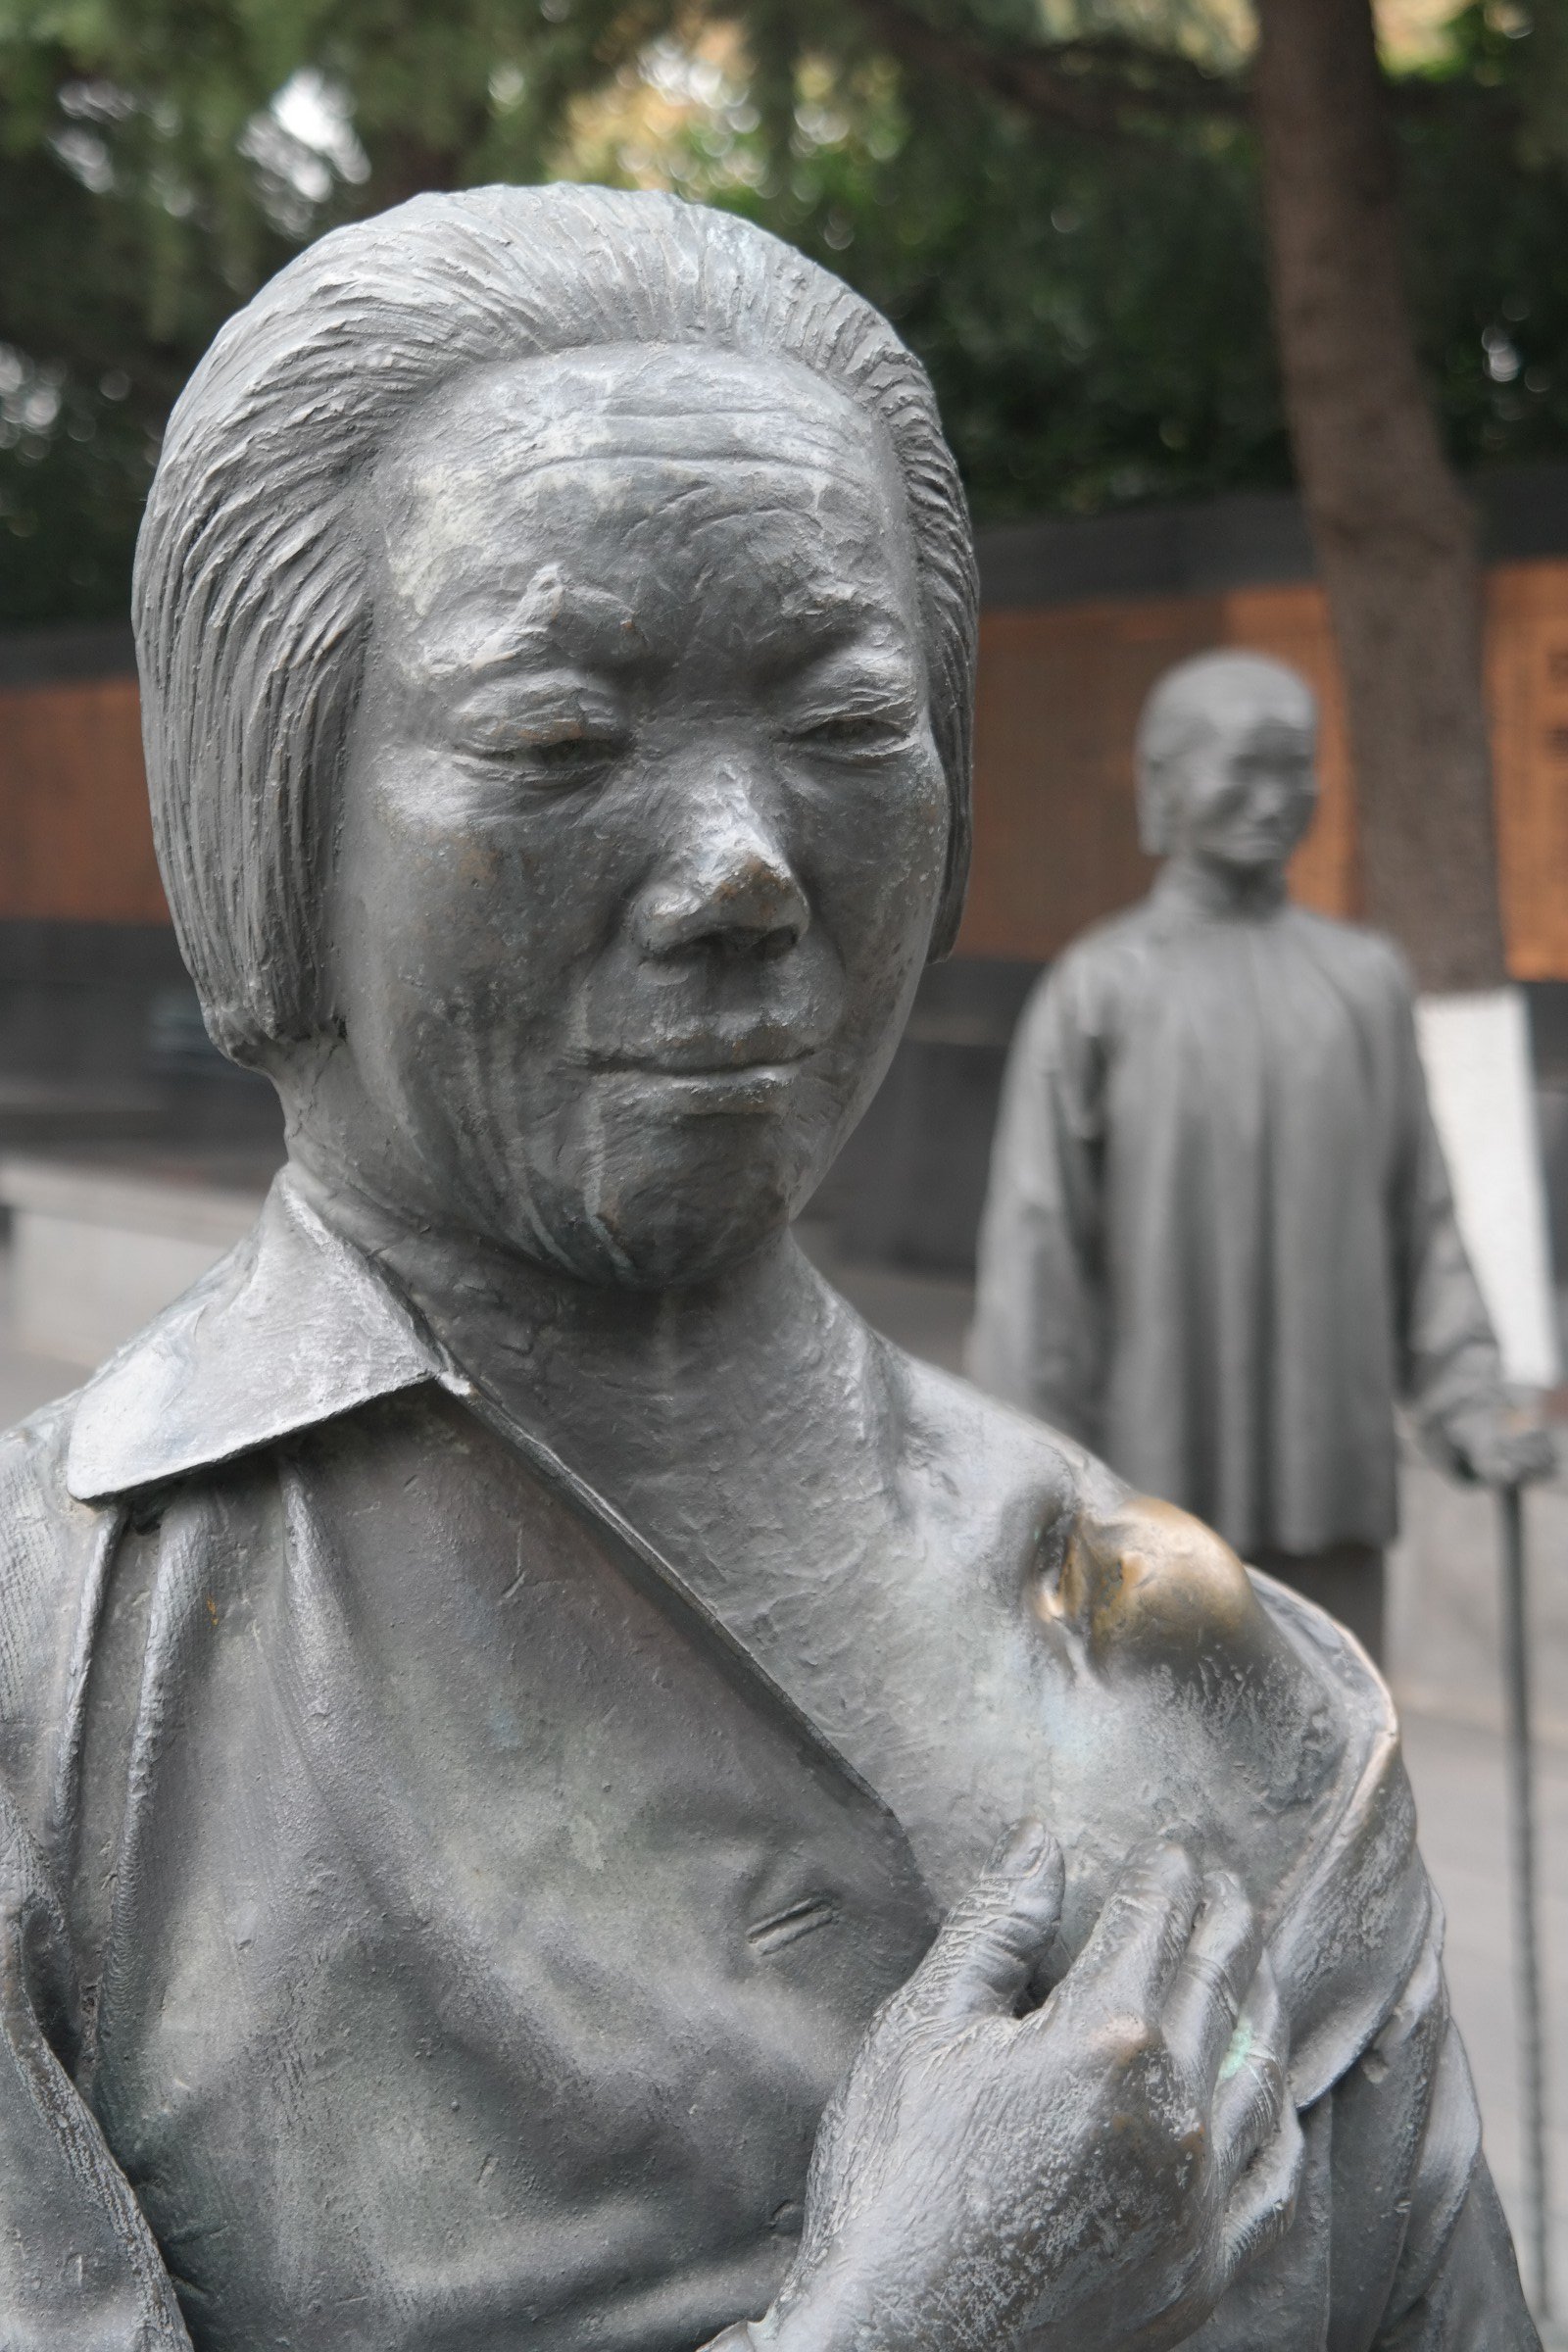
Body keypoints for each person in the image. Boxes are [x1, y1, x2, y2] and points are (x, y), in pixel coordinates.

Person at [0, 190, 1536, 2349]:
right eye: (556, 740)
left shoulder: (1235, 1693)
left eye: (836, 725)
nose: (737, 866)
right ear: (269, 820)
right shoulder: (46, 1695)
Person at [969, 650, 1554, 1663]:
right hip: (1146, 1504)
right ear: (1162, 787)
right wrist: (1028, 1478)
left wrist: (1468, 1398)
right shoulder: (1098, 990)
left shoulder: (1362, 982)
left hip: (1332, 1482)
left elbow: (1422, 1222)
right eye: (1242, 769)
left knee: (1339, 1754)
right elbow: (1038, 1262)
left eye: (1295, 769)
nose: (1274, 798)